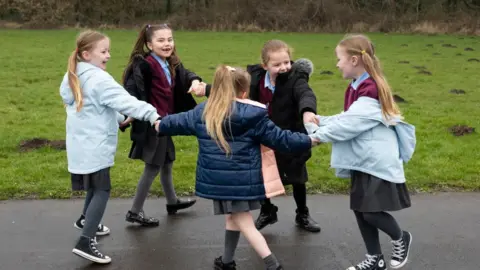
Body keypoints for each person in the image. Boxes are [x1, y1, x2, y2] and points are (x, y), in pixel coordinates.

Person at [158, 65, 319, 269]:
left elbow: (175, 122)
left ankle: (272, 264)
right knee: (237, 220)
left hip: (219, 181)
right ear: (245, 92)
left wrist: (158, 124)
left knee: (242, 222)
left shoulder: (203, 111)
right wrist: (308, 140)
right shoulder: (253, 116)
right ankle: (229, 261)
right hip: (243, 180)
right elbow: (281, 139)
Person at [305, 34, 415, 270]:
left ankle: (400, 237)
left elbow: (349, 126)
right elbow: (348, 117)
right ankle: (375, 259)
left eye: (339, 59)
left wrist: (316, 136)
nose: (336, 64)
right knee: (360, 210)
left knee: (371, 212)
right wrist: (321, 120)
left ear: (354, 60)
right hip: (362, 159)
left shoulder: (370, 89)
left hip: (376, 161)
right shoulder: (356, 86)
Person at [60, 30, 161, 264]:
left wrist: (119, 119)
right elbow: (125, 101)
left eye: (109, 51)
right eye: (104, 51)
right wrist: (153, 115)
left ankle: (86, 220)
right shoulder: (98, 79)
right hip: (94, 145)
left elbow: (95, 106)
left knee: (94, 187)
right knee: (102, 189)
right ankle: (85, 241)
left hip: (81, 144)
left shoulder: (73, 75)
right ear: (86, 54)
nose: (108, 55)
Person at [121, 24, 205, 226]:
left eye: (170, 39)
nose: (167, 44)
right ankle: (134, 211)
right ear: (149, 44)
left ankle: (172, 202)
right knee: (152, 167)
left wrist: (194, 80)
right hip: (152, 123)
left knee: (167, 163)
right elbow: (131, 90)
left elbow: (186, 74)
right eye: (161, 40)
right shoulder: (145, 65)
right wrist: (129, 113)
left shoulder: (170, 63)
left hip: (166, 122)